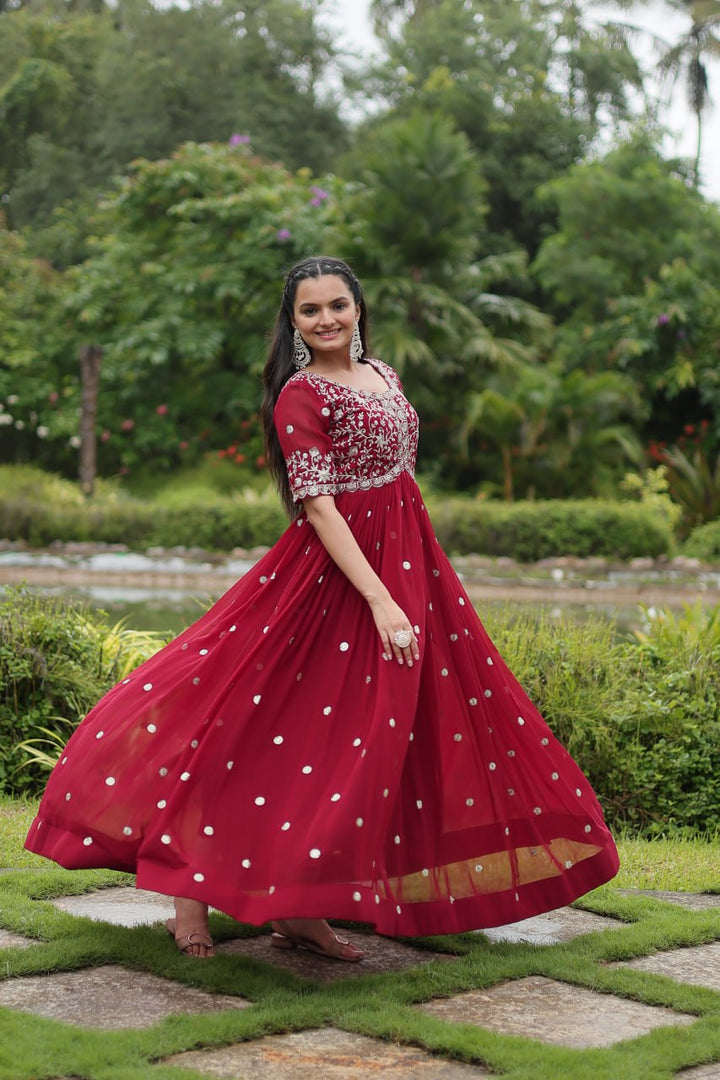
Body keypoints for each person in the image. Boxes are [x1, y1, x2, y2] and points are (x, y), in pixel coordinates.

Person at [26, 256, 619, 962]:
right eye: (310, 310)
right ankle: (188, 893)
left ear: (359, 308)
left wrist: (410, 585)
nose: (327, 319)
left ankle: (302, 906)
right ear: (294, 322)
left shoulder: (386, 376)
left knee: (359, 738)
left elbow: (400, 479)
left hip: (408, 559)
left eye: (338, 304)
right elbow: (318, 504)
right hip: (336, 578)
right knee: (261, 721)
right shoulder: (299, 395)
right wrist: (379, 600)